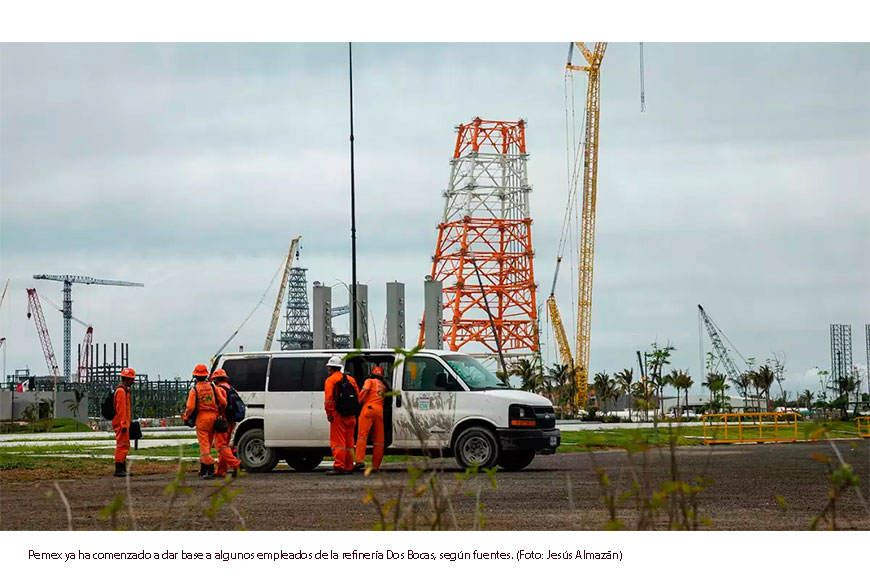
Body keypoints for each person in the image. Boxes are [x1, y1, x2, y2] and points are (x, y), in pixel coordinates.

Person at [183, 363, 227, 479]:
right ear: (207, 375)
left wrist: (186, 417)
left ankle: (209, 468)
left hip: (202, 419)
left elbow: (190, 407)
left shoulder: (194, 390)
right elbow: (223, 402)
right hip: (214, 417)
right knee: (208, 443)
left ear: (195, 376)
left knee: (204, 445)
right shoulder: (213, 387)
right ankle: (203, 469)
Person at [323, 354, 359, 475]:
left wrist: (330, 412)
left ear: (331, 368)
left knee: (338, 442)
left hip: (338, 415)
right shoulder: (351, 379)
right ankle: (349, 465)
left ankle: (339, 466)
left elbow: (328, 399)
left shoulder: (331, 380)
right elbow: (357, 397)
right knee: (349, 443)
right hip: (351, 415)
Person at [354, 365, 387, 473]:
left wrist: (357, 402)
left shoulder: (370, 381)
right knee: (379, 440)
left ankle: (359, 460)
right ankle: (376, 465)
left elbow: (364, 391)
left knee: (362, 436)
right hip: (379, 412)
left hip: (368, 409)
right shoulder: (383, 386)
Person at [211, 368, 242, 478]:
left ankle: (236, 464)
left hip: (224, 420)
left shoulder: (220, 389)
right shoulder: (230, 388)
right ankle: (221, 471)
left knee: (220, 445)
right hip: (231, 420)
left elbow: (221, 404)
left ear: (216, 379)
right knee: (224, 446)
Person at [113, 367, 135, 477]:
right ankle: (119, 469)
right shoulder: (121, 391)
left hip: (124, 422)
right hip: (121, 423)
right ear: (126, 379)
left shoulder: (125, 391)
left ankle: (122, 468)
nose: (133, 381)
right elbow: (121, 409)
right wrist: (123, 424)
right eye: (132, 379)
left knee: (124, 445)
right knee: (122, 445)